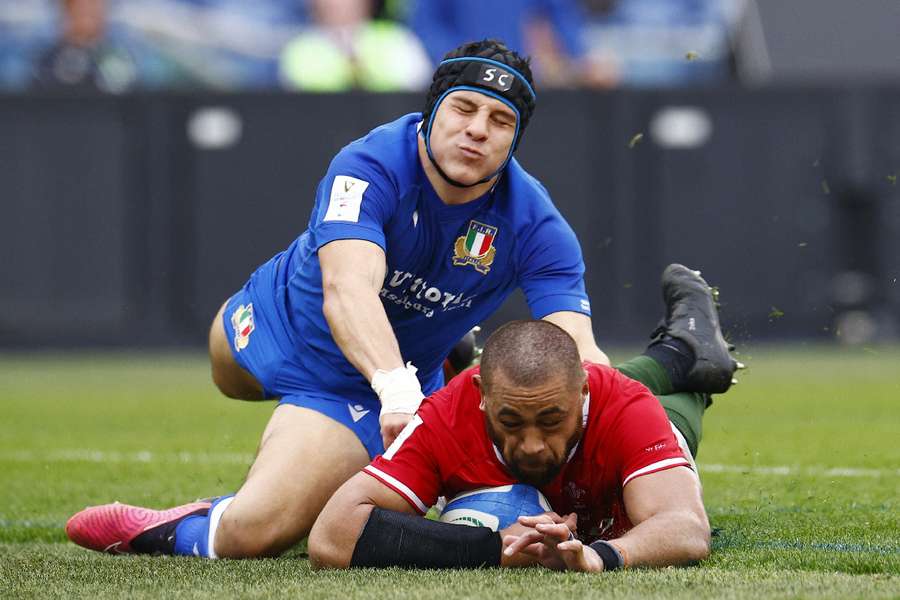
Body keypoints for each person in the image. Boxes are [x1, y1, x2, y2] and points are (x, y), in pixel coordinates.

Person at [65, 39, 737, 560]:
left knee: (255, 532)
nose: (477, 130)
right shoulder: (371, 163)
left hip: (348, 384)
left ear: (514, 139)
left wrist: (621, 434)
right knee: (225, 377)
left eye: (500, 120)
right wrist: (398, 391)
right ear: (431, 112)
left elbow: (578, 357)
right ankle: (658, 356)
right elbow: (347, 289)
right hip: (269, 317)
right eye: (464, 109)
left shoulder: (535, 224)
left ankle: (675, 358)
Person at [309, 270, 726, 570]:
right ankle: (680, 353)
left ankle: (686, 359)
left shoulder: (623, 405)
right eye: (509, 421)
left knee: (674, 408)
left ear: (584, 393)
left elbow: (686, 528)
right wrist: (493, 548)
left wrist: (601, 555)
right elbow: (331, 536)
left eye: (551, 421)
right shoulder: (447, 416)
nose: (531, 444)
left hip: (639, 411)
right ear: (481, 397)